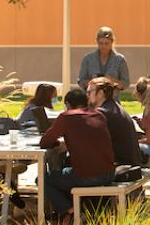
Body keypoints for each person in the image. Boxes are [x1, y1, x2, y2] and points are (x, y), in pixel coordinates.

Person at [39, 86, 116, 220]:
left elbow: (45, 142)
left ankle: (70, 210)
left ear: (68, 104)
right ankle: (74, 209)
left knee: (43, 179)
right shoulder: (99, 115)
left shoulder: (67, 117)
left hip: (86, 176)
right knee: (65, 171)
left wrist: (57, 143)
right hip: (109, 173)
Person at [87, 77, 143, 166]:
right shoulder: (115, 107)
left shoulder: (102, 113)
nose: (87, 95)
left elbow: (89, 141)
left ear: (100, 93)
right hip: (132, 164)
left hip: (121, 167)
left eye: (89, 92)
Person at [77, 26, 129, 91]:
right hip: (92, 98)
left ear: (112, 42)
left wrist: (113, 81)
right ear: (97, 42)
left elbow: (126, 83)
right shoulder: (87, 59)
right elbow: (81, 81)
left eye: (106, 43)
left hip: (112, 99)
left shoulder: (120, 60)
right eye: (101, 43)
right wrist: (93, 82)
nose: (103, 46)